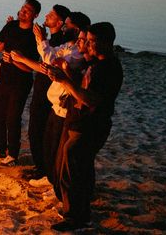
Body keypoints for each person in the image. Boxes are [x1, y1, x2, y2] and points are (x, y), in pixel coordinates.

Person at [46, 22, 123, 231]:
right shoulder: (94, 63)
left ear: (105, 43)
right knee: (77, 169)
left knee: (73, 171)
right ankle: (77, 211)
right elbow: (80, 87)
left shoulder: (110, 68)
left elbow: (92, 99)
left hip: (91, 126)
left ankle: (75, 218)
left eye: (91, 41)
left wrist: (66, 81)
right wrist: (64, 75)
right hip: (76, 121)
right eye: (86, 40)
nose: (87, 45)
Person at [10, 12, 91, 187]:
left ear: (76, 30)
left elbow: (50, 62)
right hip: (54, 105)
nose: (63, 28)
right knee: (48, 143)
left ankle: (55, 183)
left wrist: (40, 40)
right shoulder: (66, 46)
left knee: (57, 148)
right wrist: (41, 41)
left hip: (64, 108)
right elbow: (51, 56)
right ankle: (49, 177)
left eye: (67, 25)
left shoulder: (77, 53)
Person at [0, 0, 41, 166]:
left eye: (28, 10)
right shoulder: (12, 26)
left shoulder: (34, 37)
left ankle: (13, 153)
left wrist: (15, 61)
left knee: (12, 118)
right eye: (22, 8)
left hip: (20, 82)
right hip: (4, 76)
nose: (23, 11)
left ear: (35, 15)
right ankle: (0, 149)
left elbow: (32, 68)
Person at [25, 4, 70, 179]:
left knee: (39, 131)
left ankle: (44, 171)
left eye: (51, 15)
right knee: (35, 130)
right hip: (41, 87)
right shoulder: (50, 38)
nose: (47, 16)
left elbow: (48, 64)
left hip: (49, 90)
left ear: (59, 22)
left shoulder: (59, 41)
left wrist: (40, 39)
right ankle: (40, 167)